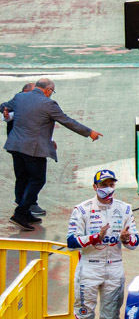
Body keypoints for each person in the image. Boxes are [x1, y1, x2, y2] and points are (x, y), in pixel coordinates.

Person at [66, 170, 138, 319]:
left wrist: (126, 238)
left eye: (111, 184)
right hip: (89, 268)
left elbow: (135, 242)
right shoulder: (82, 209)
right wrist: (95, 237)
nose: (108, 188)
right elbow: (71, 242)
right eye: (103, 184)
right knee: (84, 316)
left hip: (114, 268)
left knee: (110, 318)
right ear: (95, 187)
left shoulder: (125, 209)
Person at [3, 78, 101, 230]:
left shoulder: (20, 97)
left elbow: (4, 106)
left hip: (15, 146)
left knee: (22, 178)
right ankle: (20, 213)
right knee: (37, 179)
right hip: (33, 149)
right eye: (52, 92)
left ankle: (25, 211)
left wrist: (5, 112)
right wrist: (89, 132)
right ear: (48, 90)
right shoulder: (48, 104)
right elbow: (67, 121)